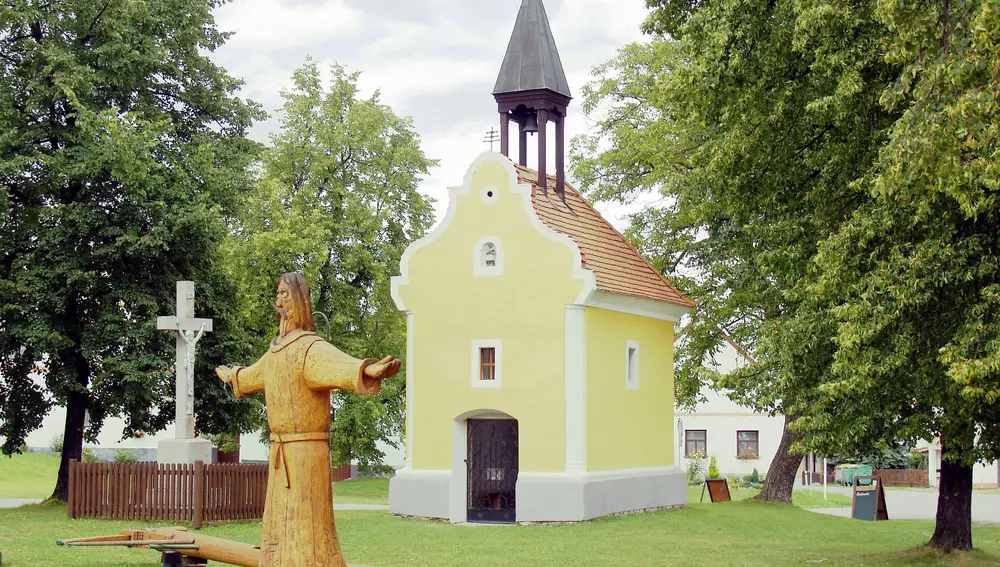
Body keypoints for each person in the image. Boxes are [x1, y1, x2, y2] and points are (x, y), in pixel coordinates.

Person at [216, 272, 400, 567]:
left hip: (305, 456)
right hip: (280, 453)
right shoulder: (276, 352)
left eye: (285, 295)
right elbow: (251, 376)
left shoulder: (310, 349)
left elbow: (341, 366)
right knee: (280, 524)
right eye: (277, 295)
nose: (278, 301)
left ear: (300, 300)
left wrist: (367, 370)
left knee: (307, 522)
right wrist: (232, 375)